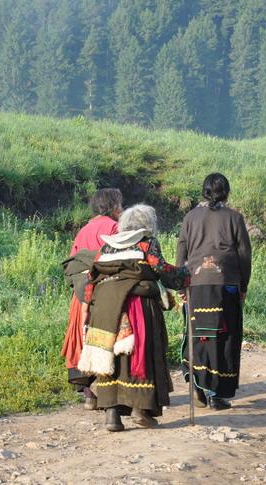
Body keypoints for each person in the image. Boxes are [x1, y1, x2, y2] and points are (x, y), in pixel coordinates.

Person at [78, 204, 189, 432]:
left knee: (109, 355)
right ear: (148, 225)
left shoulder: (107, 246)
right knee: (140, 354)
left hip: (105, 308)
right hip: (136, 305)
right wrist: (186, 274)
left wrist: (88, 309)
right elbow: (161, 269)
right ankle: (140, 409)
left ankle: (112, 415)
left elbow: (91, 278)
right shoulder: (146, 243)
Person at [176, 173, 251, 411]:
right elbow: (244, 255)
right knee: (225, 337)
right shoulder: (234, 218)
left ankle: (198, 384)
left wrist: (181, 284)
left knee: (199, 335)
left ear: (204, 191)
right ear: (226, 193)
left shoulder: (190, 217)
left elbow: (182, 252)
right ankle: (218, 395)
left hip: (196, 284)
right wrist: (243, 286)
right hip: (226, 285)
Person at [61, 188, 123, 410]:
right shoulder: (114, 227)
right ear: (113, 206)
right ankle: (111, 394)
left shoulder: (83, 230)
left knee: (82, 337)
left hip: (80, 294)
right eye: (120, 204)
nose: (122, 209)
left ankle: (88, 394)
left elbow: (73, 262)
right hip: (105, 292)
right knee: (109, 339)